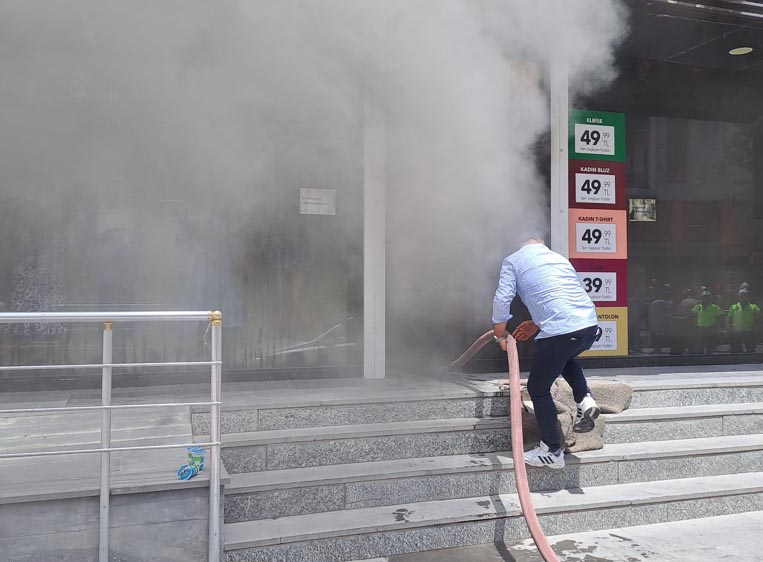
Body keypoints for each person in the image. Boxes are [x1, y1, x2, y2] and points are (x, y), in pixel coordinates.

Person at [492, 236, 600, 470]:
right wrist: (537, 322)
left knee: (538, 389)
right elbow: (564, 296)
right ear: (539, 240)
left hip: (559, 331)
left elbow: (502, 298)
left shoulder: (513, 260)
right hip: (588, 326)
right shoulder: (558, 258)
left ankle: (551, 451)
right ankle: (584, 399)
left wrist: (499, 333)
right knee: (565, 356)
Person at [725, 288, 760, 353]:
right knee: (736, 351)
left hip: (749, 332)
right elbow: (729, 319)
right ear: (739, 297)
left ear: (748, 297)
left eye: (745, 296)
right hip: (736, 332)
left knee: (751, 350)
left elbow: (758, 318)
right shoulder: (733, 307)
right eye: (742, 296)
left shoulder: (754, 307)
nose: (744, 298)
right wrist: (728, 330)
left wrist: (756, 327)